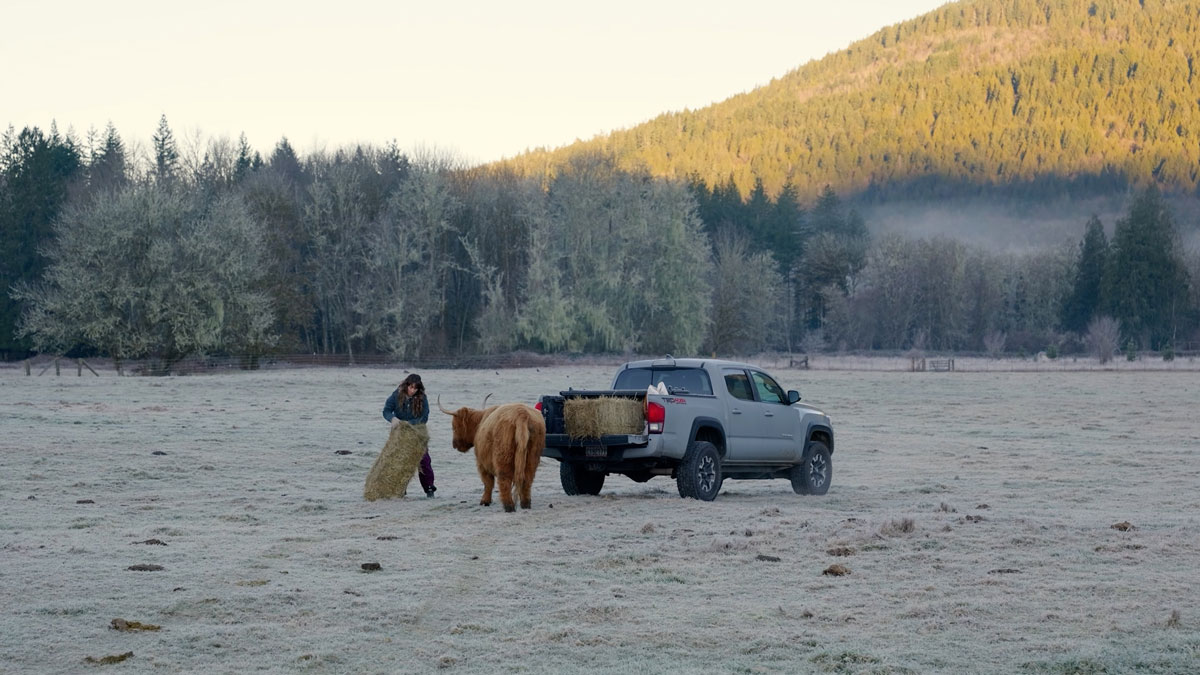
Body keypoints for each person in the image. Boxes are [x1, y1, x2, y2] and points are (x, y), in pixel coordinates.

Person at [382, 373, 436, 497]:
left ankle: (429, 488)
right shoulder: (396, 395)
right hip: (399, 433)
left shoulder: (422, 398)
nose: (412, 390)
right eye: (411, 387)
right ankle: (401, 488)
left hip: (417, 432)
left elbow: (424, 416)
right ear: (406, 385)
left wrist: (409, 424)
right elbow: (386, 410)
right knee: (400, 460)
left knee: (424, 461)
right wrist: (392, 419)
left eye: (415, 388)